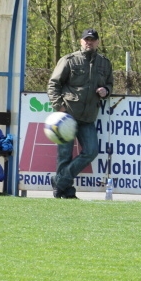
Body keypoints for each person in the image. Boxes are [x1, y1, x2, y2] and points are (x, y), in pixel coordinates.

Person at [47, 28, 113, 199]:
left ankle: (59, 181)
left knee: (91, 151)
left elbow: (110, 84)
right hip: (67, 115)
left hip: (88, 117)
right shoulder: (69, 60)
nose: (89, 42)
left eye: (92, 39)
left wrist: (106, 90)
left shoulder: (105, 63)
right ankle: (66, 191)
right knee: (64, 156)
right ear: (81, 41)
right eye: (86, 39)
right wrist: (59, 106)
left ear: (97, 42)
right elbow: (53, 84)